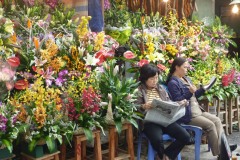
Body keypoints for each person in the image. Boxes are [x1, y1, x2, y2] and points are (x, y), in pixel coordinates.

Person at [166, 57, 237, 159]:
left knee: (217, 120)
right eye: (185, 67)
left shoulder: (186, 78)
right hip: (188, 115)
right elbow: (178, 101)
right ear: (177, 67)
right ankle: (220, 154)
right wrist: (189, 92)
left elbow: (194, 96)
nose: (187, 69)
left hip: (197, 111)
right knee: (210, 125)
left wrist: (203, 89)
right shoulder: (173, 83)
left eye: (187, 67)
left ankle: (224, 148)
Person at [136, 63, 192, 160]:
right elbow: (134, 107)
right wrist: (144, 106)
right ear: (145, 78)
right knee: (157, 140)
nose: (155, 81)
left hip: (165, 120)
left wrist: (179, 103)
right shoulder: (139, 90)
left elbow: (169, 103)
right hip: (150, 122)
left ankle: (165, 156)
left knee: (186, 136)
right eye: (152, 79)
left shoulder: (161, 88)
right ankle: (163, 157)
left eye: (156, 78)